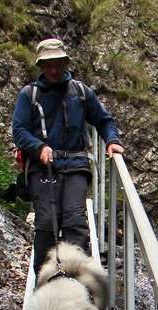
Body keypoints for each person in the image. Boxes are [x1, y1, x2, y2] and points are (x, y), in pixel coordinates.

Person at [12, 38, 124, 273]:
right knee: (46, 223)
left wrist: (112, 141)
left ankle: (77, 280)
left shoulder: (81, 92)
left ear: (65, 63)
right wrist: (38, 146)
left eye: (58, 64)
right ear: (41, 66)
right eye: (48, 65)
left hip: (75, 164)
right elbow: (19, 130)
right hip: (42, 167)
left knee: (75, 221)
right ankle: (44, 281)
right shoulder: (29, 95)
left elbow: (103, 121)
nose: (53, 70)